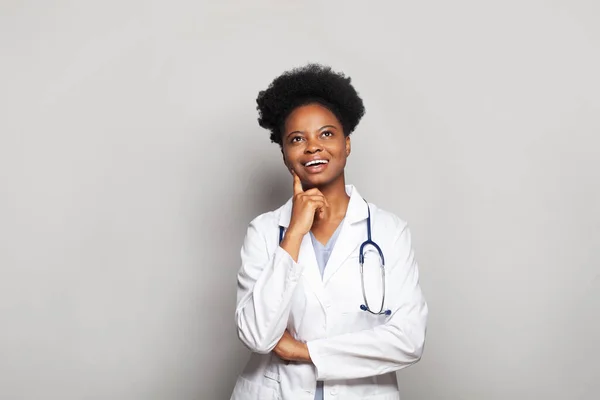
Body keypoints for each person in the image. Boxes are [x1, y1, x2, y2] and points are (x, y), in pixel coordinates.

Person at [231, 63, 428, 400]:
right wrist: (293, 233)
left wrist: (304, 351)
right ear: (285, 155)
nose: (313, 147)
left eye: (326, 134)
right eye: (297, 139)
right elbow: (257, 337)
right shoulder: (265, 232)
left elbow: (408, 340)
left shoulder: (389, 231)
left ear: (346, 144)